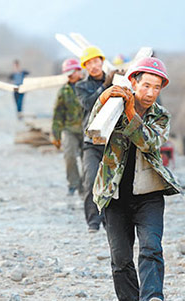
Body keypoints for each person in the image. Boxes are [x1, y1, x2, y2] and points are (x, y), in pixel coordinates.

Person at [87, 57, 181, 301]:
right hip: (113, 195)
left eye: (157, 87)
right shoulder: (113, 106)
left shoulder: (160, 116)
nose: (151, 93)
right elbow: (93, 131)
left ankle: (153, 299)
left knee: (151, 246)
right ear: (133, 82)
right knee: (121, 258)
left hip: (149, 195)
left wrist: (131, 113)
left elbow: (149, 142)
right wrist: (104, 99)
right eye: (146, 86)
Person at [75, 46, 119, 233]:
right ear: (85, 67)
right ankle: (93, 221)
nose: (93, 66)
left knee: (111, 183)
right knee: (91, 180)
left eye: (96, 61)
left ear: (101, 61)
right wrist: (105, 86)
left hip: (112, 140)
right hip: (91, 142)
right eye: (89, 63)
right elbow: (89, 103)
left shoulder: (115, 81)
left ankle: (109, 221)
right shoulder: (81, 86)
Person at [51, 58, 84, 196]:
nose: (70, 75)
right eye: (68, 73)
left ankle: (85, 186)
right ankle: (73, 184)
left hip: (87, 130)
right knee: (69, 157)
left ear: (79, 71)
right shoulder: (63, 92)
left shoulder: (87, 87)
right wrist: (56, 135)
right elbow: (58, 114)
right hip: (69, 129)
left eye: (73, 72)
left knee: (87, 160)